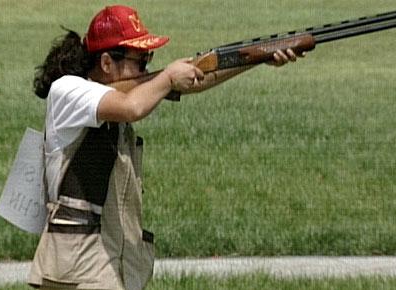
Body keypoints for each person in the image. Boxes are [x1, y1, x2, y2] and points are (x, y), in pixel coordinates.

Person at [28, 5, 304, 290]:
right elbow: (132, 106)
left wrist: (258, 58)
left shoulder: (110, 92)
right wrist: (168, 76)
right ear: (107, 62)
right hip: (77, 266)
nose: (146, 67)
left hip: (104, 262)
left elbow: (195, 80)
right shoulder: (68, 91)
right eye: (140, 60)